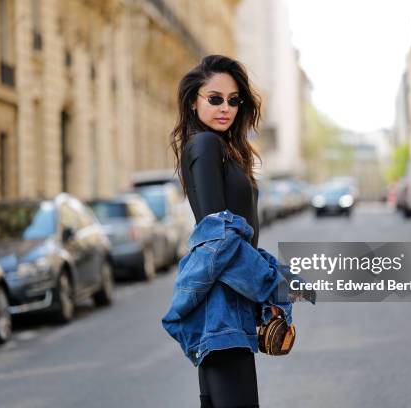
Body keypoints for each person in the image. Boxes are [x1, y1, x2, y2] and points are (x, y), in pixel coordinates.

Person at [170, 54, 264, 408]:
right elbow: (217, 233)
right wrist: (272, 280)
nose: (226, 107)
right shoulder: (206, 145)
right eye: (215, 98)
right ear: (194, 102)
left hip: (228, 293)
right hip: (223, 298)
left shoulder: (223, 148)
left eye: (234, 100)